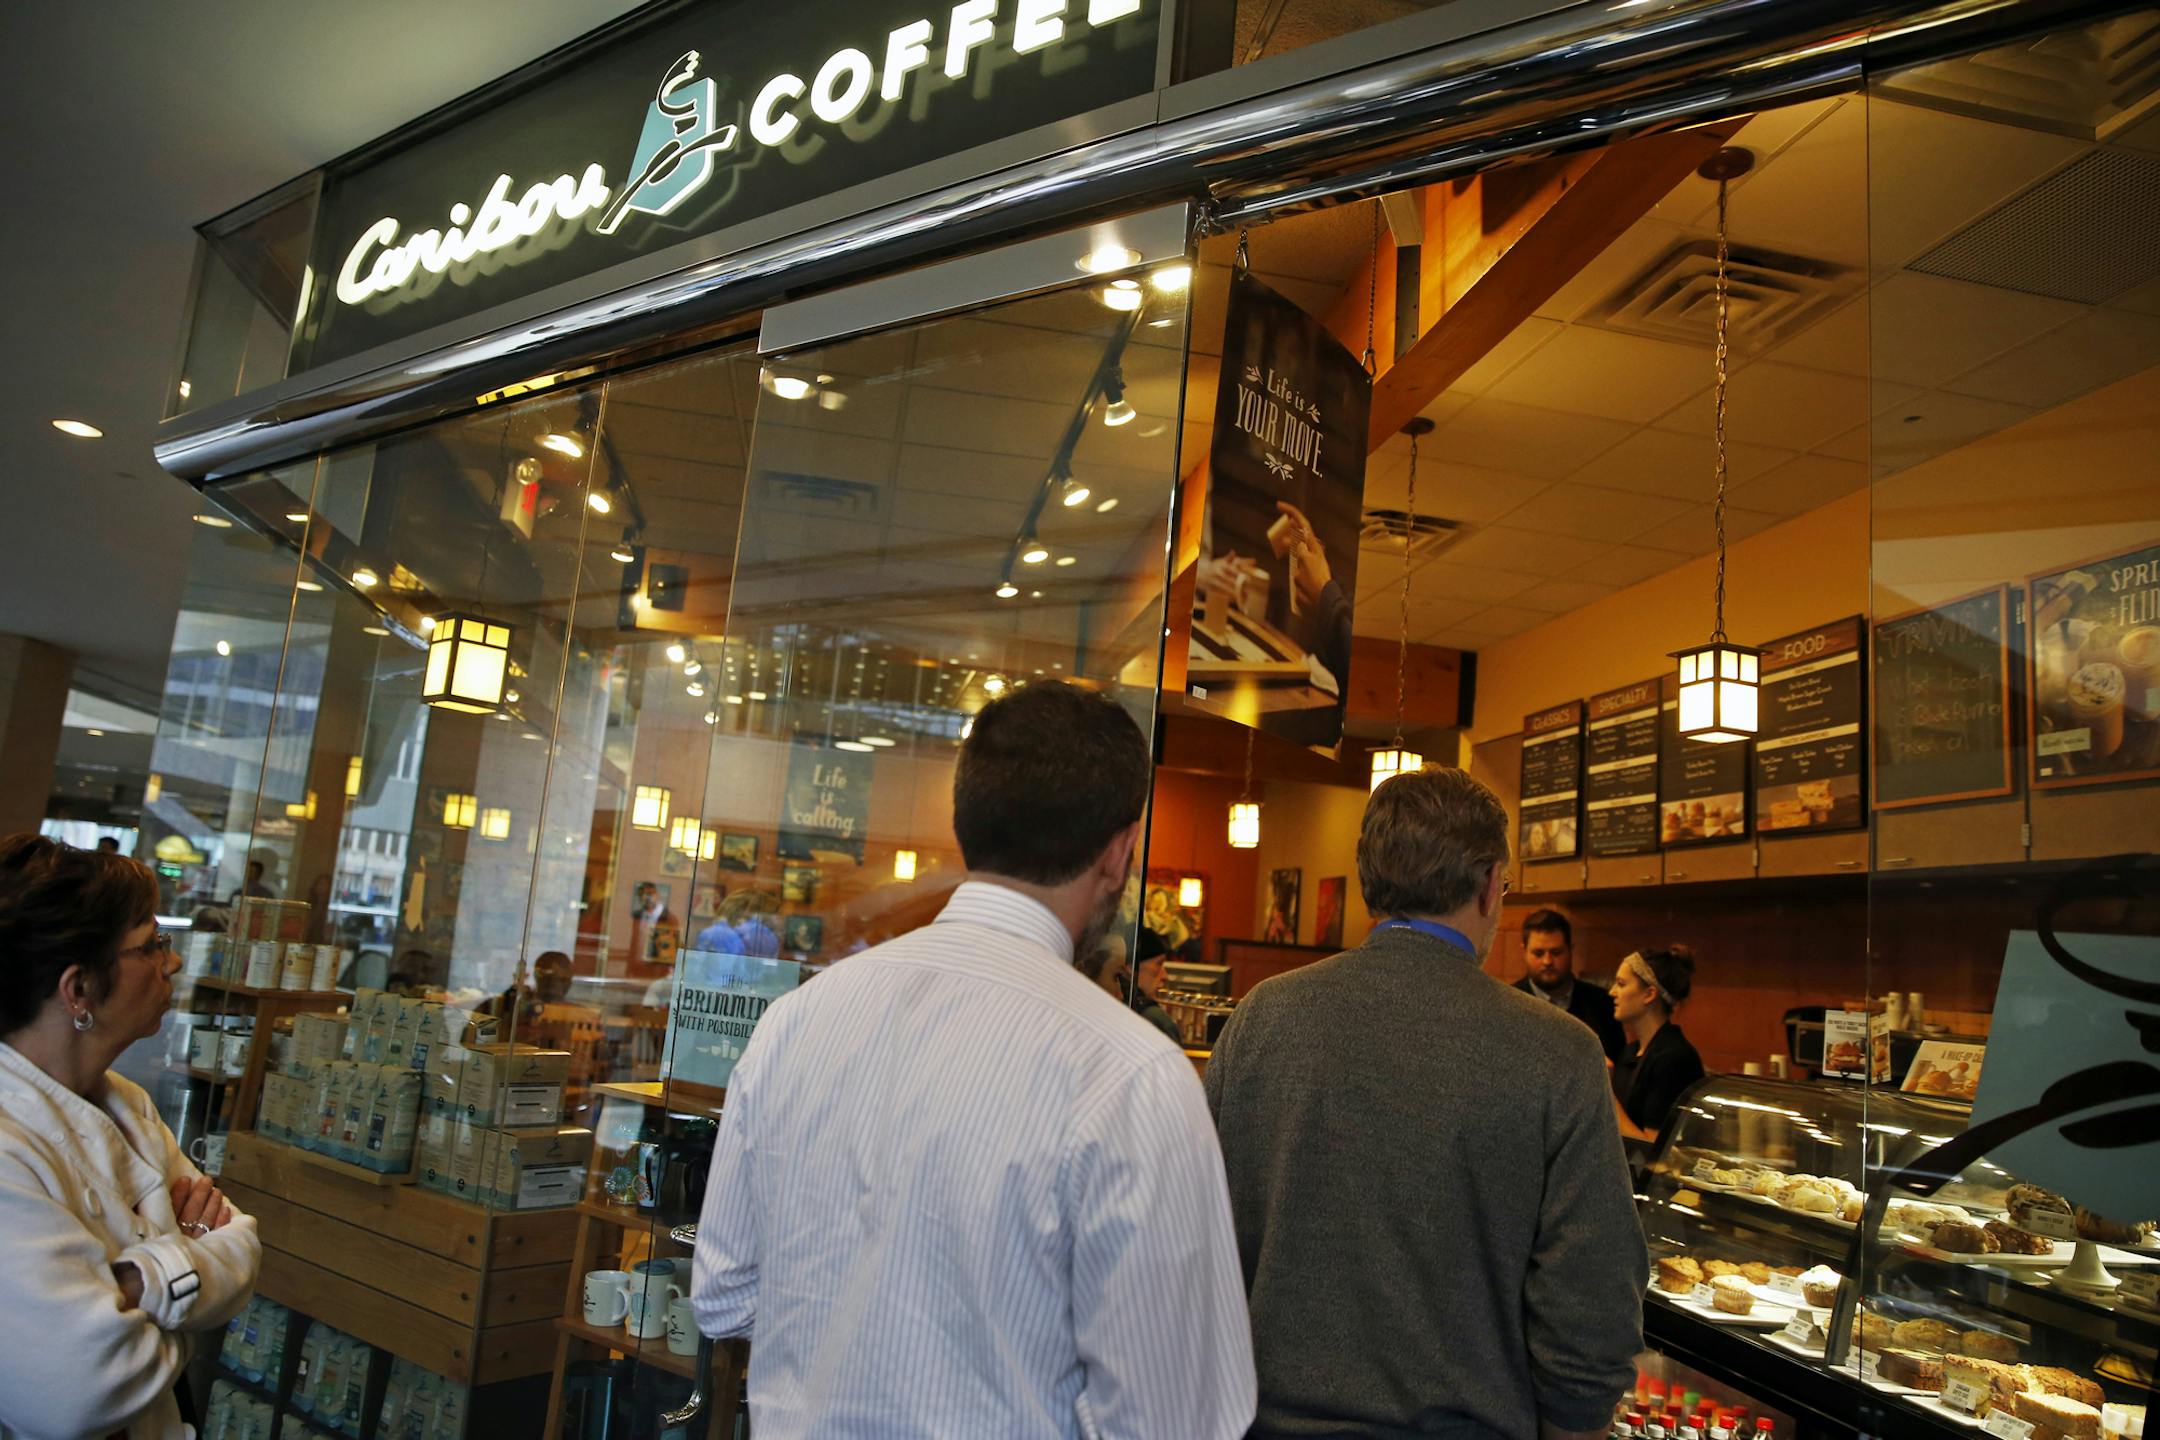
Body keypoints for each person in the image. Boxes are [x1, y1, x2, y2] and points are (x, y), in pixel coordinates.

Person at [691, 681, 1255, 1438]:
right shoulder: (1133, 1074)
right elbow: (1176, 1419)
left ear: (967, 827)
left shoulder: (798, 1019)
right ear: (1120, 853)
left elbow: (724, 1294)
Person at [1205, 768, 1645, 1440]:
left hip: (1257, 1422)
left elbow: (1197, 1234)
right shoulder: (1559, 1053)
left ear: (1367, 881)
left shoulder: (1265, 1017)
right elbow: (1590, 1299)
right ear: (1493, 884)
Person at [0, 835, 261, 1439]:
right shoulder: (8, 1144)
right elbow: (82, 1388)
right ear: (80, 991)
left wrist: (138, 1285)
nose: (171, 963)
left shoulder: (127, 1103)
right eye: (151, 946)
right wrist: (190, 1256)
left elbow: (242, 1247)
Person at [1608, 945, 1706, 1146]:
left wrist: (1604, 1091)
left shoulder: (1674, 1058)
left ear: (1649, 994)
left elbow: (1651, 1152)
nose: (1612, 992)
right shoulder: (1631, 1051)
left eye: (1621, 983)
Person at [1513, 908, 1625, 1062]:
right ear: (1524, 951)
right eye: (1538, 953)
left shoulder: (1602, 1004)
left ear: (1570, 950)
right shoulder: (1509, 1005)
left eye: (1556, 952)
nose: (1547, 961)